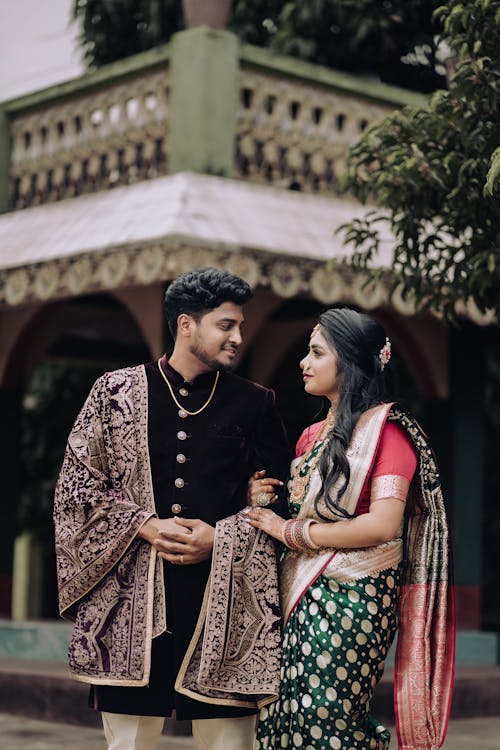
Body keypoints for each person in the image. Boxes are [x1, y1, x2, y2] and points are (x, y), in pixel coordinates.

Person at [53, 268, 291, 750]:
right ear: (187, 325)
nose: (238, 337)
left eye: (239, 326)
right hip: (129, 611)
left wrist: (219, 537)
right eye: (226, 325)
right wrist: (143, 526)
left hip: (224, 613)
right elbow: (75, 488)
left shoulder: (255, 403)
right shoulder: (114, 393)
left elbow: (284, 503)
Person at [246, 307, 455, 750]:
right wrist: (261, 502)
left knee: (328, 715)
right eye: (307, 351)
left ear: (351, 362)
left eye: (317, 353)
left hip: (355, 595)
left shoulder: (389, 433)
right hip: (297, 591)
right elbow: (298, 509)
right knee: (281, 715)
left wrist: (291, 533)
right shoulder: (308, 437)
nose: (304, 362)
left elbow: (381, 524)